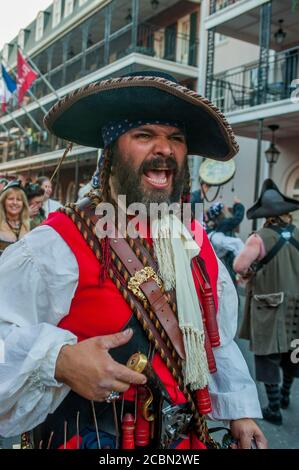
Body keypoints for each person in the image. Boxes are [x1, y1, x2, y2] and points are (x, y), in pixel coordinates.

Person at [0, 71, 267, 449]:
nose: (164, 149)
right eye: (144, 135)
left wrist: (239, 410)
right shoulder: (56, 241)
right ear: (111, 151)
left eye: (175, 138)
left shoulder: (193, 238)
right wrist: (57, 360)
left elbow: (214, 338)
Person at [234, 179, 299, 425]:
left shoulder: (258, 238)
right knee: (293, 349)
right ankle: (284, 396)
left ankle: (273, 408)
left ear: (266, 216)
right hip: (297, 304)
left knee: (268, 355)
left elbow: (239, 266)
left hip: (269, 303)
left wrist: (250, 272)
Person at [206, 199, 245, 284]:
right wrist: (238, 205)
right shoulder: (224, 223)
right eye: (225, 208)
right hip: (228, 262)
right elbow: (238, 218)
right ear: (221, 212)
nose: (227, 210)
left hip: (225, 262)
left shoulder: (216, 227)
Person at [0, 180, 30, 255]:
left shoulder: (31, 225)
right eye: (10, 199)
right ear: (3, 201)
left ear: (23, 203)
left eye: (19, 199)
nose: (15, 202)